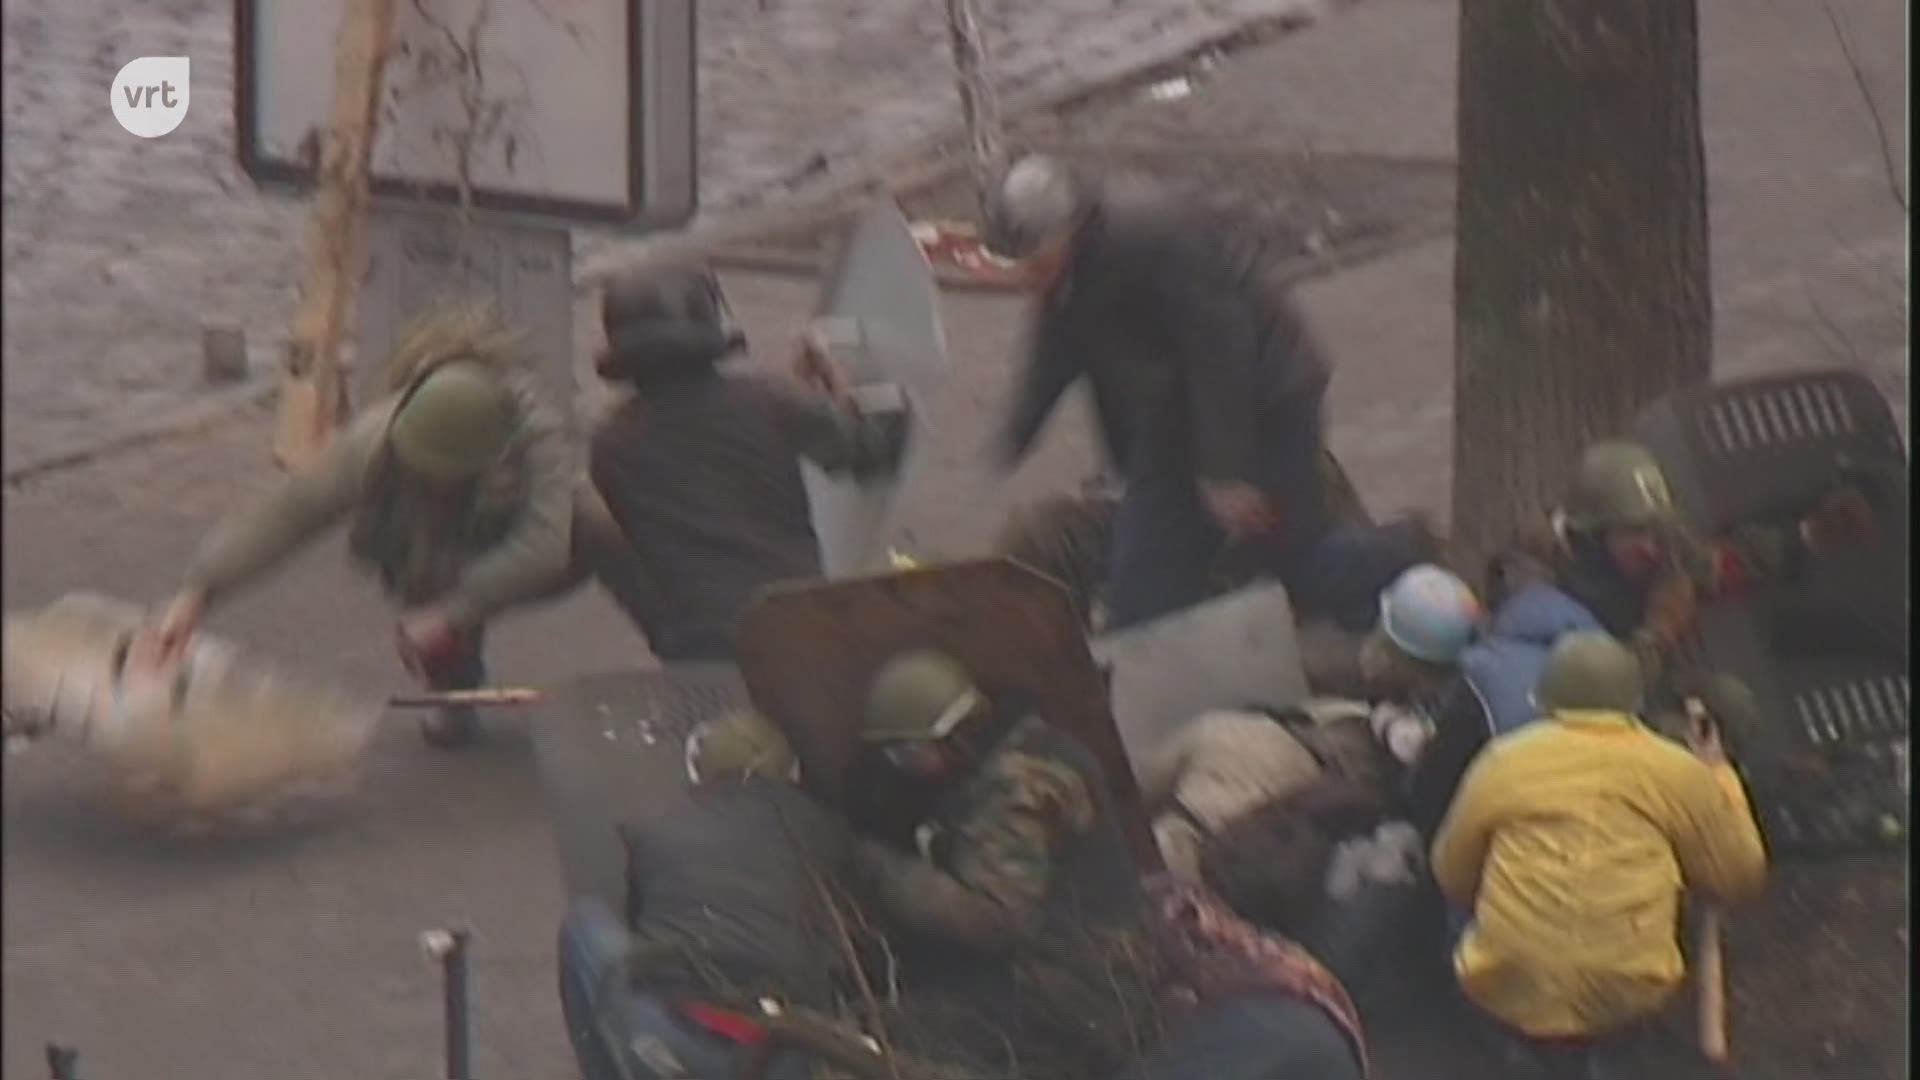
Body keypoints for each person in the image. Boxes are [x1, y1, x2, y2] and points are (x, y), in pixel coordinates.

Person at [148, 304, 657, 748]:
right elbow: (288, 513)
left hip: (536, 544)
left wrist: (453, 611)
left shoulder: (535, 433)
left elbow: (545, 545)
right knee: (420, 555)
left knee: (597, 518)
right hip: (446, 548)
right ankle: (454, 688)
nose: (432, 478)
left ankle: (682, 655)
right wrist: (199, 591)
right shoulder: (377, 441)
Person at [982, 152, 1433, 633]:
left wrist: (1224, 471)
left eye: (1036, 263)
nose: (1028, 279)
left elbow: (1221, 349)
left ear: (1068, 231)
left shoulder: (1153, 241)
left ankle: (1403, 555)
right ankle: (1162, 664)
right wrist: (1012, 439)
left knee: (1296, 566)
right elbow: (1054, 353)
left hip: (1266, 411)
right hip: (1171, 432)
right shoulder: (1067, 281)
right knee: (1143, 597)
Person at [1430, 631, 1768, 1078]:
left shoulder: (1503, 761)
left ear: (1547, 701)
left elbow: (1451, 873)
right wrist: (1719, 773)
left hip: (1509, 982)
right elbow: (1739, 875)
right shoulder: (1677, 771)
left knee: (1464, 932)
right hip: (1629, 989)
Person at [845, 648, 1157, 1078]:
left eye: (909, 753)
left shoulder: (1019, 782)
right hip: (1074, 969)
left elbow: (995, 919)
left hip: (1084, 985)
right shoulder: (1025, 750)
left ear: (955, 735)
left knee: (874, 1035)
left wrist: (883, 870)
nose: (906, 768)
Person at [586, 265, 910, 661]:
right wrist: (835, 378)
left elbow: (700, 459)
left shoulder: (611, 444)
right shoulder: (771, 401)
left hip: (697, 641)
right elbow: (866, 452)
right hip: (796, 621)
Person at [1477, 440, 1885, 728]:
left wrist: (1812, 535)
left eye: (1655, 532)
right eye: (1634, 534)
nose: (1652, 548)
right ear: (1594, 535)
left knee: (1728, 704)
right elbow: (1591, 698)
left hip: (1649, 684)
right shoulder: (1535, 586)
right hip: (1579, 722)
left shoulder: (1659, 547)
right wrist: (1659, 635)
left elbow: (1715, 567)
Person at [557, 706, 851, 1080]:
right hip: (785, 1050)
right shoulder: (819, 825)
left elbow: (637, 922)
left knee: (583, 923)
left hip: (674, 1034)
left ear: (699, 774)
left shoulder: (654, 826)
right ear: (789, 770)